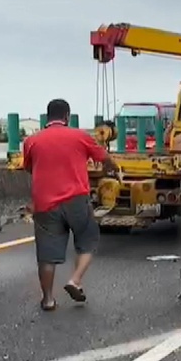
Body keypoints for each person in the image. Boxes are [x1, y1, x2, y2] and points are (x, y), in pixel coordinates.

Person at [22, 98, 119, 311]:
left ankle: (48, 300)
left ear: (48, 117)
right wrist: (113, 169)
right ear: (67, 116)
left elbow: (29, 167)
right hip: (76, 199)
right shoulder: (80, 137)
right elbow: (104, 158)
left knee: (46, 254)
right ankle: (75, 280)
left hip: (45, 204)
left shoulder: (32, 141)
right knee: (88, 239)